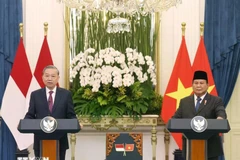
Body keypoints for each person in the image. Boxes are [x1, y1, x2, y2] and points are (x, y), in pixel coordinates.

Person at [24, 65, 78, 160]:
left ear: (58, 78)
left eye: (53, 76)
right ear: (42, 77)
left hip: (60, 140)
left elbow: (71, 115)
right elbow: (30, 114)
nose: (50, 78)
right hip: (40, 140)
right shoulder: (35, 95)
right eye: (47, 75)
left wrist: (76, 123)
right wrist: (24, 123)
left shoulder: (66, 94)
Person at [172, 70, 227, 160]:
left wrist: (220, 118)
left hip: (210, 149)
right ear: (192, 85)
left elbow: (221, 112)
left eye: (201, 83)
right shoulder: (184, 101)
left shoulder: (216, 100)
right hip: (190, 148)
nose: (198, 86)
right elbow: (175, 119)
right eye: (196, 83)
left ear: (207, 85)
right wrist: (172, 122)